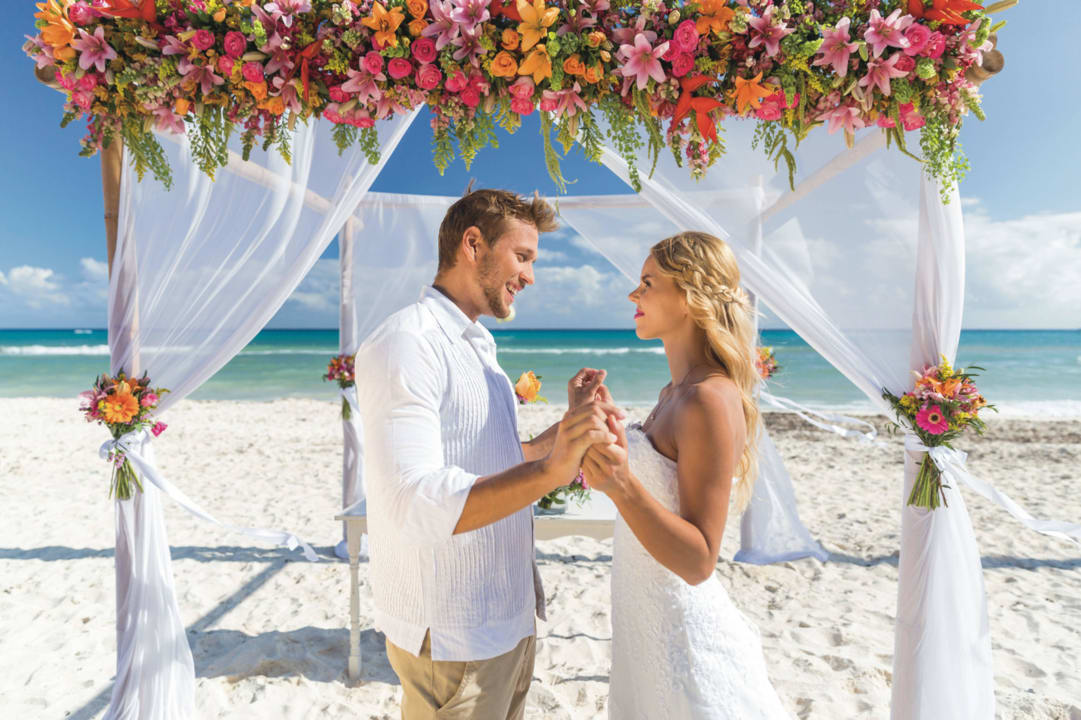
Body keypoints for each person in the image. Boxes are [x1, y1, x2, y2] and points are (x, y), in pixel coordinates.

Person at [353, 186, 621, 720]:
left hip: (504, 620)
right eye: (522, 257)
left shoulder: (477, 345)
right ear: (472, 244)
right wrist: (551, 471)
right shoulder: (407, 342)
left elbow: (494, 458)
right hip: (455, 637)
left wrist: (566, 433)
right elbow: (415, 501)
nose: (530, 276)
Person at [582, 231, 792, 719]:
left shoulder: (708, 400)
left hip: (684, 648)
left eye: (648, 282)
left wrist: (621, 484)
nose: (634, 295)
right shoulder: (672, 393)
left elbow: (700, 560)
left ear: (691, 296)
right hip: (646, 631)